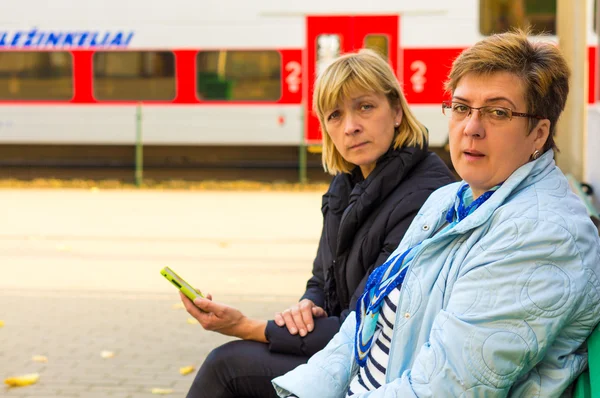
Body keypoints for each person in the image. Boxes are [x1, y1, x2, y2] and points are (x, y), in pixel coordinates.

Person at [272, 29, 600, 397]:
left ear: (538, 134)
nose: (471, 129)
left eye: (498, 112)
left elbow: (446, 388)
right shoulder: (449, 200)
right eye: (461, 108)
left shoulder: (543, 235)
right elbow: (363, 320)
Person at [181, 49, 455, 398]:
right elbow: (321, 279)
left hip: (386, 367)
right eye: (335, 115)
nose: (351, 126)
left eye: (365, 107)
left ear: (397, 110)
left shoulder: (424, 196)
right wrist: (307, 307)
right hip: (344, 351)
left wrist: (247, 327)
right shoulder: (347, 184)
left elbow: (369, 323)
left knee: (227, 367)